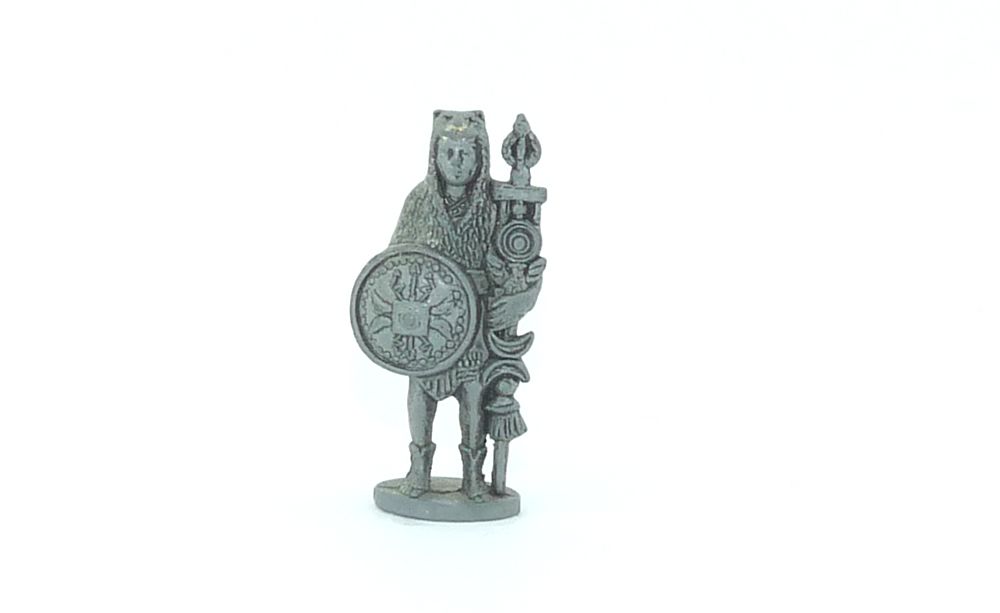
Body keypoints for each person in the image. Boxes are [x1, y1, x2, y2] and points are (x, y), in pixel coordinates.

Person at [388, 110, 507, 500]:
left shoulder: (493, 205)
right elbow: (394, 262)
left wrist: (510, 291)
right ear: (435, 155)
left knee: (473, 395)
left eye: (465, 153)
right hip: (426, 326)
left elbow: (511, 264)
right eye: (449, 152)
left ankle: (473, 475)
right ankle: (419, 469)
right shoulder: (419, 201)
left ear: (479, 157)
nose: (457, 162)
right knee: (421, 393)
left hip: (472, 324)